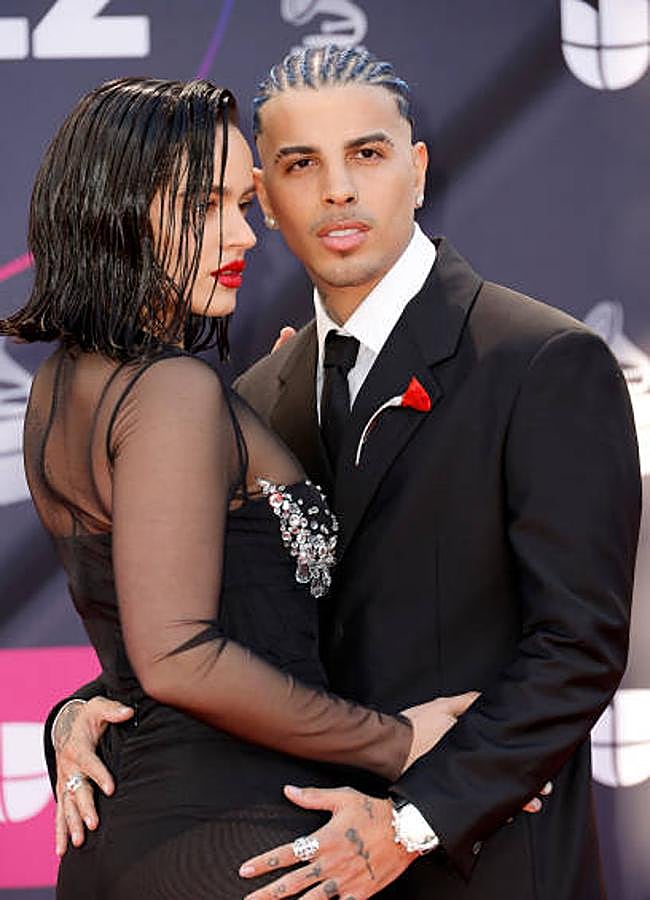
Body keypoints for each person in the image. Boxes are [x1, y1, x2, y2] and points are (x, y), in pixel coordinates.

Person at [44, 46, 639, 900]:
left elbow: (575, 652)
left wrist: (410, 823)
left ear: (418, 169)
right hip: (289, 860)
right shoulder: (251, 396)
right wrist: (73, 718)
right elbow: (216, 630)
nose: (337, 190)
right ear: (270, 203)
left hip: (481, 864)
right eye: (297, 165)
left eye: (367, 153)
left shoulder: (543, 361)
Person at [0, 75, 483, 899]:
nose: (244, 235)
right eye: (206, 207)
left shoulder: (66, 385)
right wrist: (400, 743)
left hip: (139, 838)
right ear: (116, 210)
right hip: (232, 848)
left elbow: (152, 625)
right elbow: (178, 656)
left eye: (242, 202)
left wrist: (71, 710)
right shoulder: (168, 391)